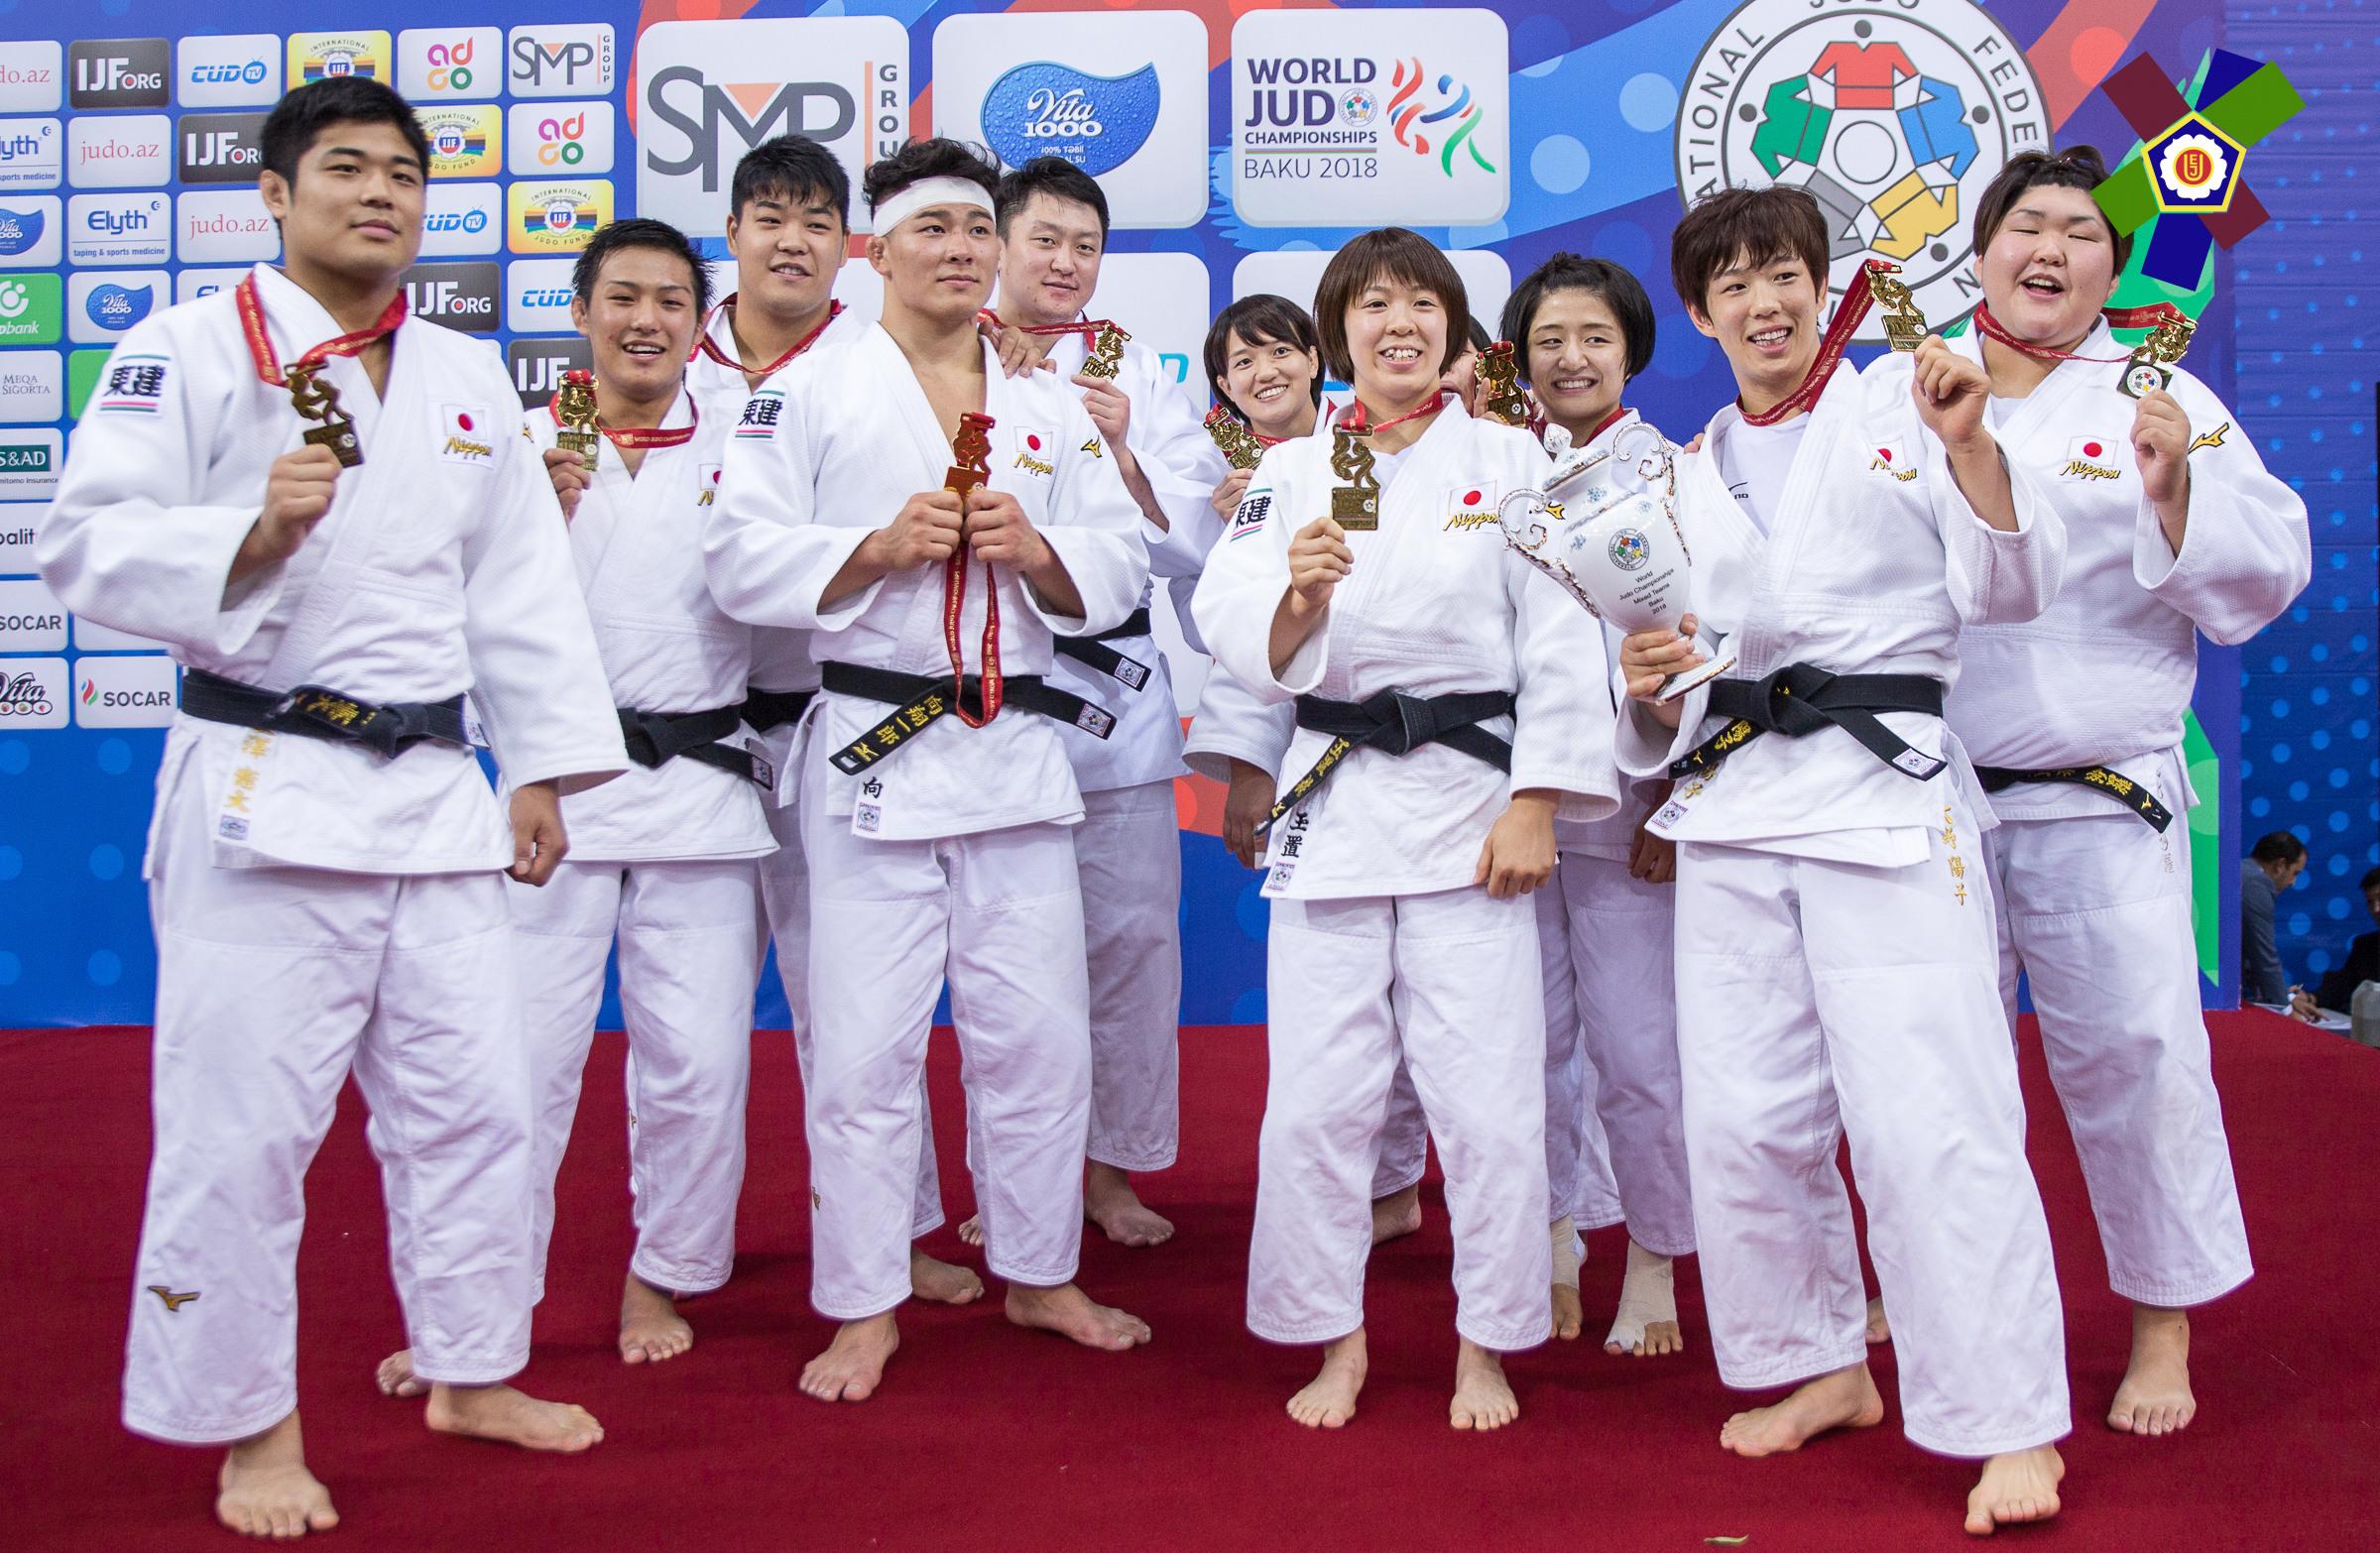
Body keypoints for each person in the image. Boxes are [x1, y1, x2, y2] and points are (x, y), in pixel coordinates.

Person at [38, 76, 622, 1538]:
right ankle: (254, 1428)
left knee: (479, 1104)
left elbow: (519, 588)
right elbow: (85, 544)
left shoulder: (465, 374)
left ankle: (472, 1368)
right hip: (267, 790)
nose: (379, 194)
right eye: (347, 168)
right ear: (276, 194)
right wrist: (249, 533)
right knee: (242, 1133)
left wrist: (541, 764)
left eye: (403, 175)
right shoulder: (184, 350)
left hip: (432, 795)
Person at [1616, 184, 2071, 1533]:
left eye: (1785, 276)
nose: (1765, 303)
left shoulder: (1909, 405)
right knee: (1746, 1117)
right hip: (1735, 809)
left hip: (1885, 797)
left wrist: (1973, 447)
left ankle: (2007, 1418)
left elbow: (2010, 586)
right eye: (1734, 285)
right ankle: (1820, 1361)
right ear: (1699, 313)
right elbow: (1652, 687)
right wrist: (1646, 684)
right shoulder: (1674, 474)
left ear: (1826, 287)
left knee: (1935, 1116)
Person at [703, 138, 1152, 1403]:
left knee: (1040, 1039)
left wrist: (1044, 551)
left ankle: (1040, 1270)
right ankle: (862, 1302)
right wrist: (872, 546)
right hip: (873, 758)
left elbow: (1121, 558)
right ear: (877, 250)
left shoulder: (1044, 404)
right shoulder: (805, 392)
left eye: (976, 230)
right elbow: (736, 560)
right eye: (932, 230)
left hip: (1015, 754)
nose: (959, 251)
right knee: (862, 1050)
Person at [1193, 227, 1621, 1432]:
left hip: (1471, 811)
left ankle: (1487, 1344)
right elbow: (1230, 618)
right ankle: (1335, 1338)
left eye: (1423, 303)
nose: (1401, 323)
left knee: (1486, 1101)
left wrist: (1538, 798)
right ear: (1340, 332)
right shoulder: (1291, 470)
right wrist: (1298, 597)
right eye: (1374, 304)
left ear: (1452, 327)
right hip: (1334, 806)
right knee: (1317, 1102)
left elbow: (1562, 640)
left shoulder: (1514, 457)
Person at [1943, 146, 2311, 1438]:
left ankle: (2163, 1324)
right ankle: (1945, 1302)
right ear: (1982, 252)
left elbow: (2269, 572)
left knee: (2139, 1062)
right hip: (1933, 798)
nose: (2051, 247)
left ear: (2110, 270)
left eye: (2081, 232)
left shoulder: (2160, 393)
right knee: (1935, 1069)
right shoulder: (1911, 388)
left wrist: (2178, 492)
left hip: (2098, 796)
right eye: (2027, 224)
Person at [685, 133, 983, 1312]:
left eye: (817, 222)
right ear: (734, 233)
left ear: (852, 247)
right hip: (693, 731)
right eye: (771, 218)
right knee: (693, 1031)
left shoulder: (886, 363)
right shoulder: (665, 359)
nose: (792, 241)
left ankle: (893, 1241)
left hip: (837, 720)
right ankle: (677, 1259)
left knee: (854, 1014)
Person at [978, 156, 1230, 1248]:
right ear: (997, 244)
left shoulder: (1133, 370)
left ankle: (1110, 1172)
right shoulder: (944, 356)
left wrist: (1123, 448)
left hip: (1117, 697)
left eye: (1085, 245)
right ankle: (1010, 1182)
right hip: (991, 691)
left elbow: (1193, 542)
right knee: (1006, 966)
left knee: (1130, 948)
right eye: (1045, 240)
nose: (1066, 262)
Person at [1496, 253, 1700, 1355]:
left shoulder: (1674, 473)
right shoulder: (1493, 468)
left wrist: (1669, 793)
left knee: (1639, 1050)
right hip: (1514, 807)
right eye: (1549, 339)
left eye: (1595, 338)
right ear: (1518, 353)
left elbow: (1701, 645)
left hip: (1627, 813)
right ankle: (1554, 1242)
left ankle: (1657, 1259)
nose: (1570, 358)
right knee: (1525, 1047)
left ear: (1631, 351)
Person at [2241, 830, 2312, 1008]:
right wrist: (2285, 1010)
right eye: (2295, 873)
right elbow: (2264, 959)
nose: (2293, 882)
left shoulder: (2243, 872)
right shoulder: (2256, 884)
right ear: (2280, 865)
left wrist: (2285, 997)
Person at [2315, 866, 2380, 1012]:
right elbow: (2342, 987)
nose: (2376, 909)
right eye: (2370, 901)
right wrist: (2310, 998)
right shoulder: (2365, 945)